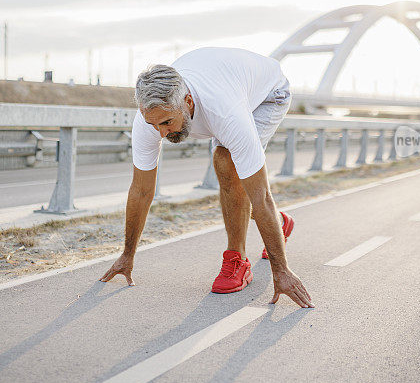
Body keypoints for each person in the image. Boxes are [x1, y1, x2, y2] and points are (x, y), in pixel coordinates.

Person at [99, 47, 313, 308]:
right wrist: (126, 255)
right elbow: (141, 191)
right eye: (154, 125)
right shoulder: (149, 119)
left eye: (167, 122)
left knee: (226, 162)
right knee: (232, 174)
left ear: (187, 102)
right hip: (226, 83)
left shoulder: (226, 112)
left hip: (268, 94)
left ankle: (237, 260)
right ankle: (279, 224)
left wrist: (281, 272)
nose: (162, 133)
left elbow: (262, 196)